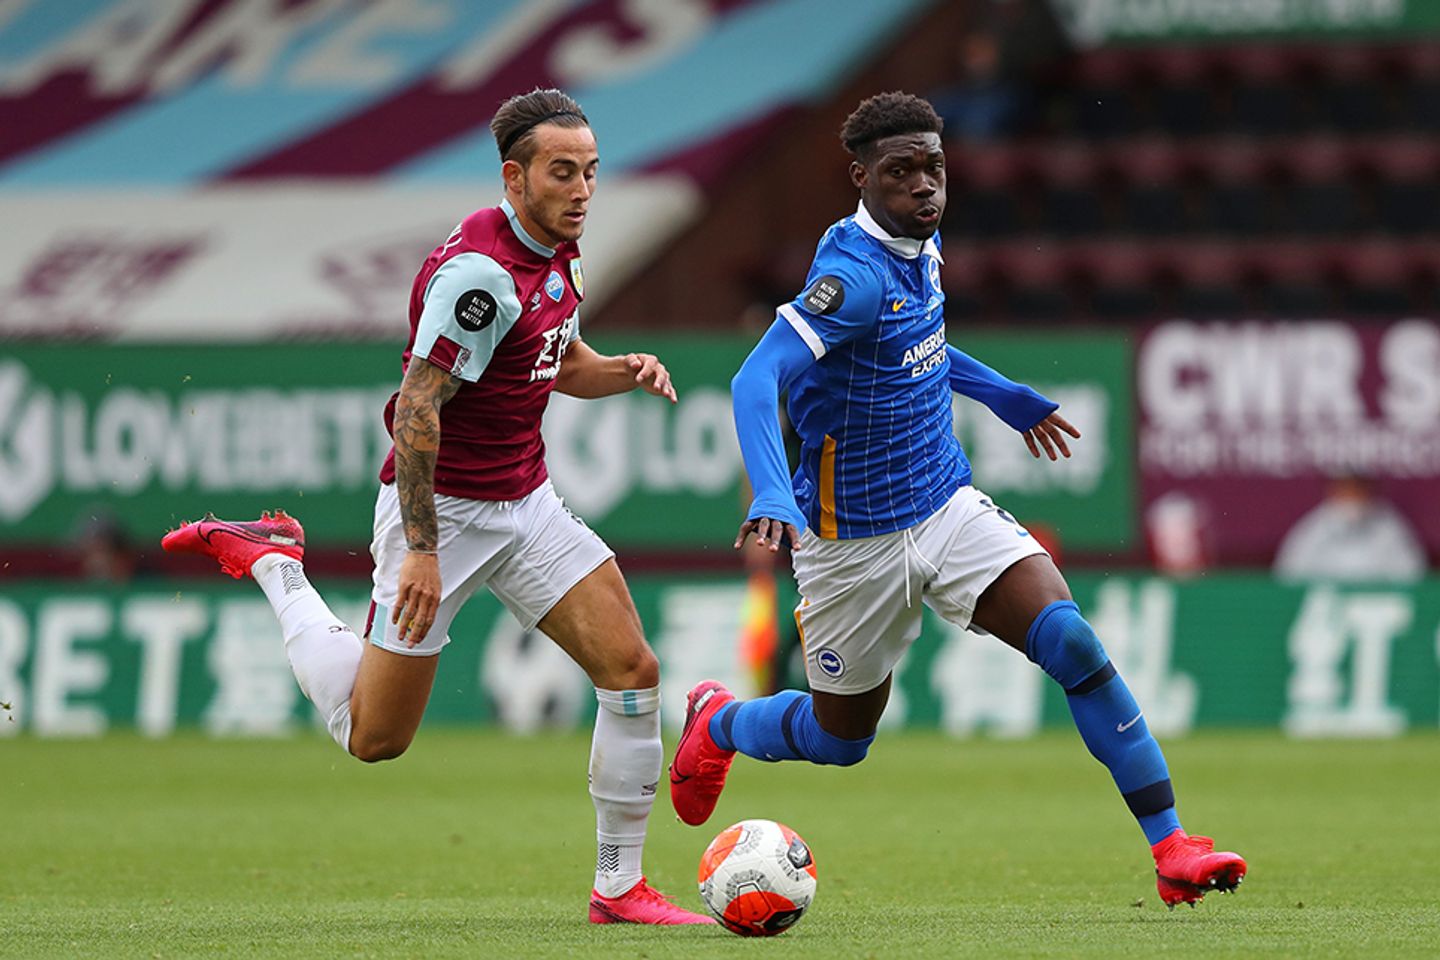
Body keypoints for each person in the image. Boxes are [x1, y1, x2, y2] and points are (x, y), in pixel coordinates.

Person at [669, 91, 1247, 909]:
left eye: (933, 168)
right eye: (900, 172)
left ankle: (1173, 846)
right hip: (851, 544)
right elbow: (755, 377)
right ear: (860, 176)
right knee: (842, 742)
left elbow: (923, 339)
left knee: (1074, 646)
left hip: (946, 507)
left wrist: (1002, 393)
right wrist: (772, 487)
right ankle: (719, 721)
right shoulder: (851, 278)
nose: (923, 187)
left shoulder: (922, 240)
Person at [162, 88, 712, 926]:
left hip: (526, 504)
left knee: (632, 670)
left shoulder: (559, 250)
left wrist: (621, 369)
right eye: (563, 173)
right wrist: (420, 547)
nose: (583, 190)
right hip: (442, 516)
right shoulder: (479, 280)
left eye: (592, 173)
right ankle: (275, 563)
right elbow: (418, 407)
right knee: (374, 739)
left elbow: (553, 360)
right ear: (514, 176)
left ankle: (619, 887)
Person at [1274, 472, 1427, 583]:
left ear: (1369, 491)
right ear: (1333, 491)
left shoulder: (1390, 529)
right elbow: (1288, 579)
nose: (1352, 496)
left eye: (1357, 490)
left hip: (1378, 610)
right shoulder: (1312, 530)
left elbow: (1413, 578)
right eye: (1346, 489)